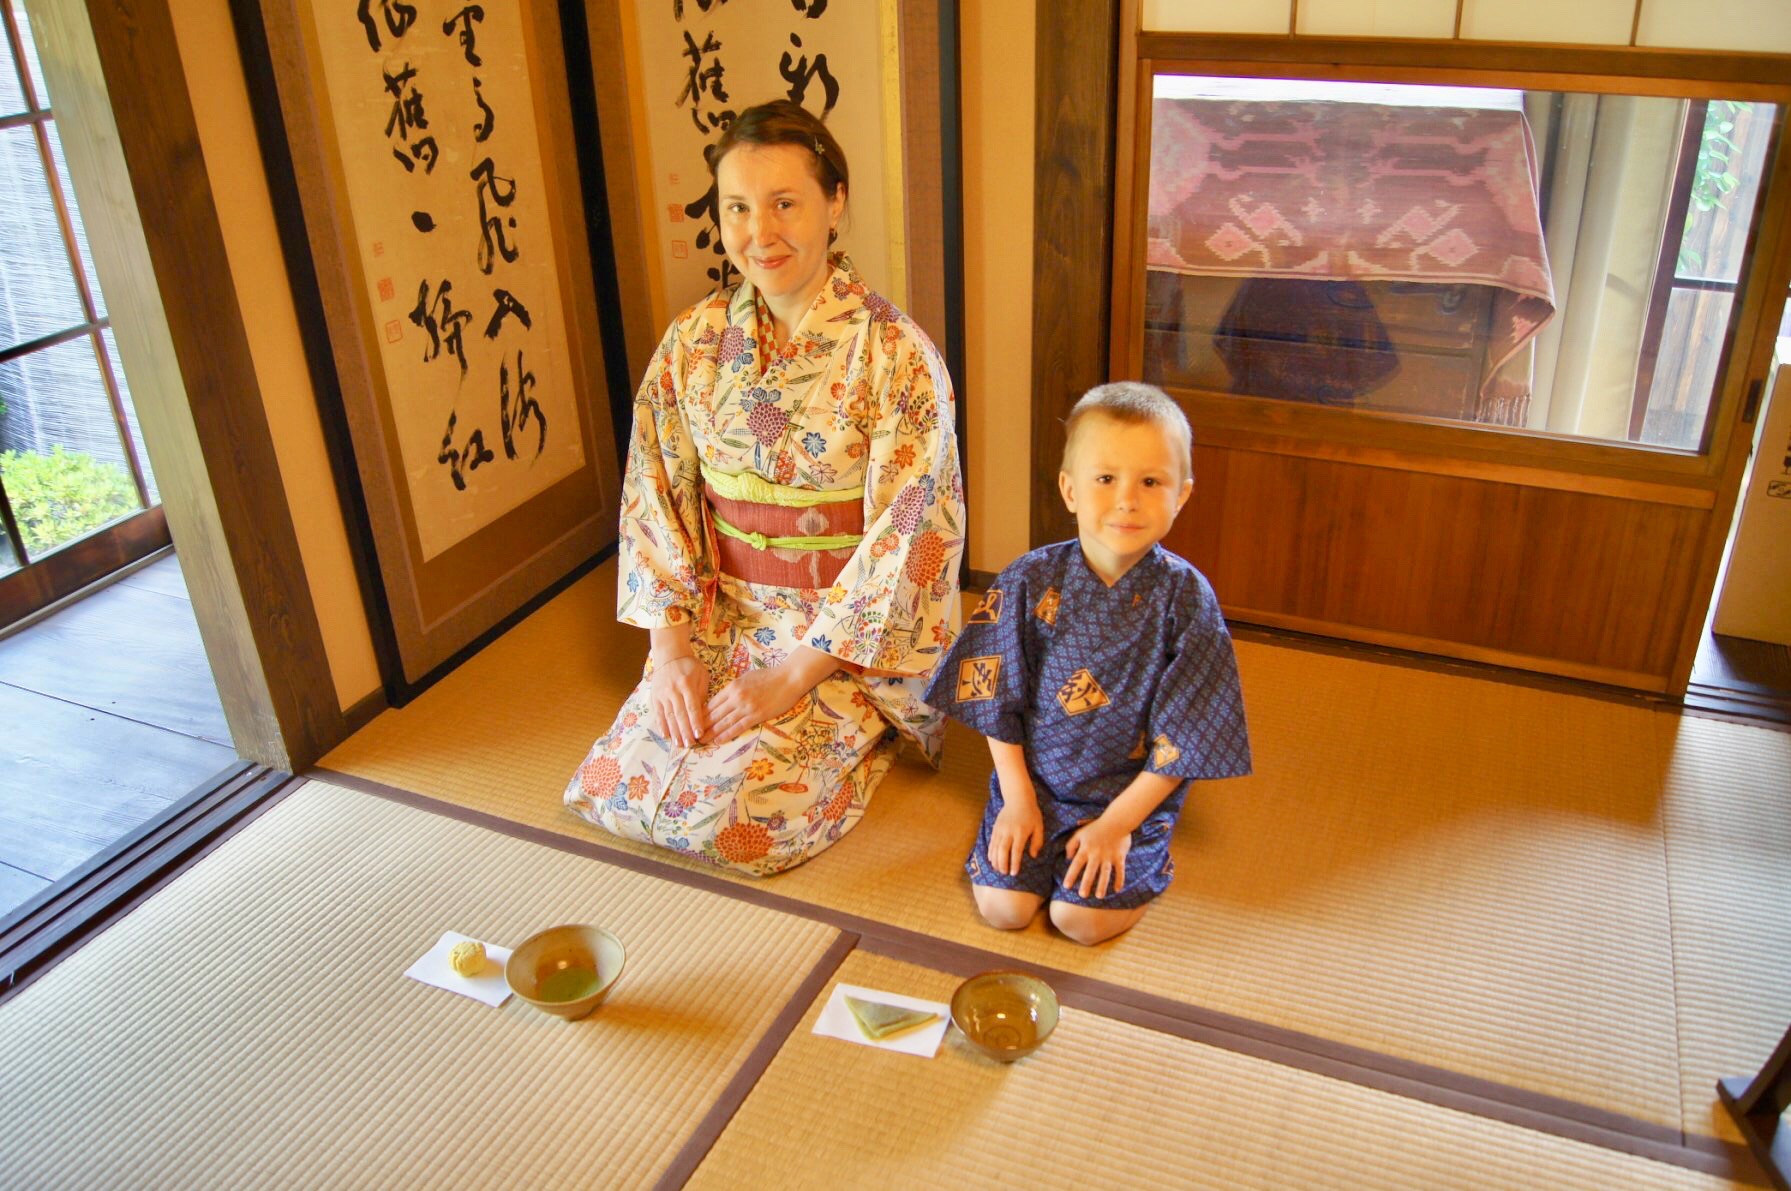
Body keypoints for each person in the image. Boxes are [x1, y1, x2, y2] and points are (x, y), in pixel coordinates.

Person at [564, 100, 963, 877]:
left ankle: (860, 727)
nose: (760, 233)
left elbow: (910, 534)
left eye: (786, 203)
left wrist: (792, 673)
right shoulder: (695, 340)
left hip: (838, 636)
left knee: (731, 821)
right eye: (738, 208)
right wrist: (671, 648)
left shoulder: (896, 355)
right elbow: (655, 489)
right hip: (722, 605)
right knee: (621, 790)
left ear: (834, 201)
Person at [925, 382, 1250, 945]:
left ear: (1183, 495)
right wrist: (1020, 801)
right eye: (1106, 479)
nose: (1127, 499)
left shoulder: (1188, 598)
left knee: (1079, 921)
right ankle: (1029, 820)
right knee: (1005, 908)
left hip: (1130, 791)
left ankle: (1135, 848)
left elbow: (1192, 732)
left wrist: (1117, 826)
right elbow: (993, 695)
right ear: (1070, 490)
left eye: (1151, 482)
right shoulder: (1030, 579)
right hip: (1037, 781)